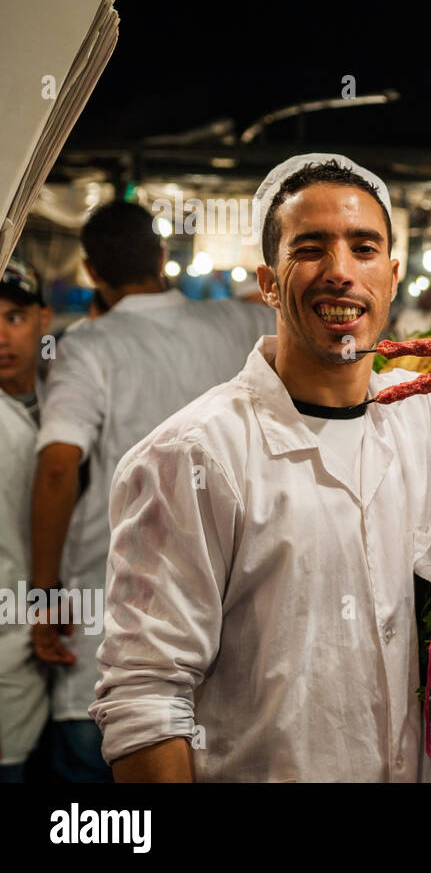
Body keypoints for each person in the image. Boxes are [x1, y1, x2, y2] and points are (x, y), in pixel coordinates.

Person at [90, 153, 431, 782]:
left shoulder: (424, 416)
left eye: (364, 248)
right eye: (311, 249)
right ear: (268, 281)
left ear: (394, 275)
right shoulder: (191, 455)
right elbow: (146, 702)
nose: (341, 273)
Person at [28, 201, 274, 782]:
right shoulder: (238, 326)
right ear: (163, 257)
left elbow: (60, 466)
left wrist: (40, 593)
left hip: (111, 628)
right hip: (227, 643)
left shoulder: (88, 348)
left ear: (90, 271)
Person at [0, 259, 52, 783]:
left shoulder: (66, 400)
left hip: (51, 663)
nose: (1, 335)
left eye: (15, 317)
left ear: (44, 320)